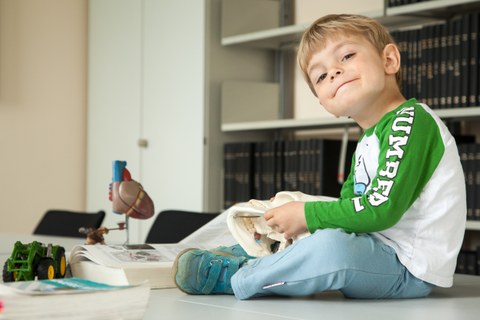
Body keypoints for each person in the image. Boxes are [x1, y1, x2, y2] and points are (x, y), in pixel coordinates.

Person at [173, 13, 466, 300]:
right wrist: (298, 213)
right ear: (326, 102)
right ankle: (266, 252)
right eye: (322, 75)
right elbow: (350, 208)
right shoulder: (367, 140)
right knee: (311, 224)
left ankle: (244, 274)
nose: (335, 72)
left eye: (347, 56)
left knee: (332, 247)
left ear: (389, 60)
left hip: (407, 267)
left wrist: (307, 216)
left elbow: (381, 210)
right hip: (375, 249)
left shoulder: (410, 120)